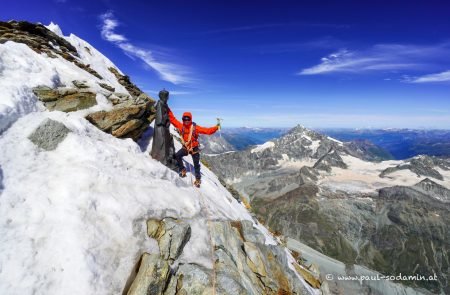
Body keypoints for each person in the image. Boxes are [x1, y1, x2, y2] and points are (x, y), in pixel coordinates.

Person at [168, 108, 220, 187]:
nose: (186, 121)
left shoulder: (195, 128)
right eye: (184, 119)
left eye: (188, 119)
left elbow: (207, 131)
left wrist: (216, 127)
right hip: (186, 147)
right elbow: (172, 119)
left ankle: (198, 179)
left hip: (194, 148)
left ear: (191, 119)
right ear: (182, 119)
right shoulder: (181, 126)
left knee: (196, 165)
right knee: (177, 155)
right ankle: (183, 169)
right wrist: (166, 107)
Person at [150, 89, 176, 170]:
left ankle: (167, 159)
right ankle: (164, 161)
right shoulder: (160, 104)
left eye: (167, 96)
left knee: (166, 143)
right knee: (162, 143)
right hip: (160, 128)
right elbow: (159, 120)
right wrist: (167, 119)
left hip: (164, 128)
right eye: (166, 96)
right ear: (162, 96)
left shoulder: (164, 105)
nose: (168, 98)